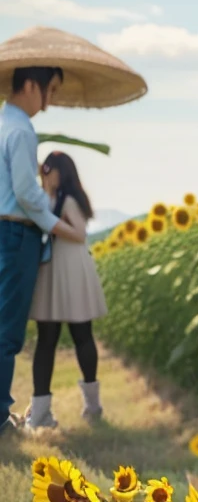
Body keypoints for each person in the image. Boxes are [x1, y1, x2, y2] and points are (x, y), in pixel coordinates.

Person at [0, 66, 86, 436]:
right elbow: (25, 193)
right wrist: (60, 227)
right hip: (17, 234)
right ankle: (1, 417)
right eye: (49, 91)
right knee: (7, 332)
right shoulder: (20, 130)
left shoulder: (4, 124)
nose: (49, 103)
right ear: (30, 85)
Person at [23, 150, 108, 430]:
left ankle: (92, 405)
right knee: (47, 339)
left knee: (81, 334)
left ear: (61, 171)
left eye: (49, 169)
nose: (45, 173)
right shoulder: (52, 197)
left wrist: (51, 219)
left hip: (69, 269)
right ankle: (40, 411)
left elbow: (80, 233)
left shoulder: (68, 200)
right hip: (54, 270)